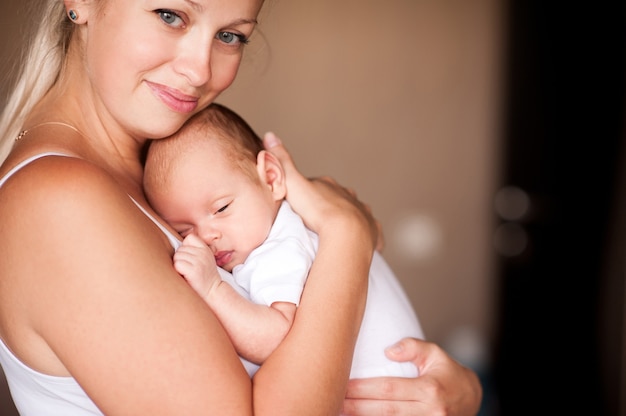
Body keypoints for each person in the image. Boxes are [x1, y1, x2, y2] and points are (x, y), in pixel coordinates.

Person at [0, 0, 482, 415]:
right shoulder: (58, 203)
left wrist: (460, 393)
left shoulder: (157, 174)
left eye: (230, 35)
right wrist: (346, 235)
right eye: (171, 15)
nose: (201, 69)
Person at [143, 102, 424, 379]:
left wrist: (213, 289)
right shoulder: (304, 219)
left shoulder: (276, 248)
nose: (206, 236)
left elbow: (274, 340)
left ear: (271, 176)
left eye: (221, 209)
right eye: (183, 231)